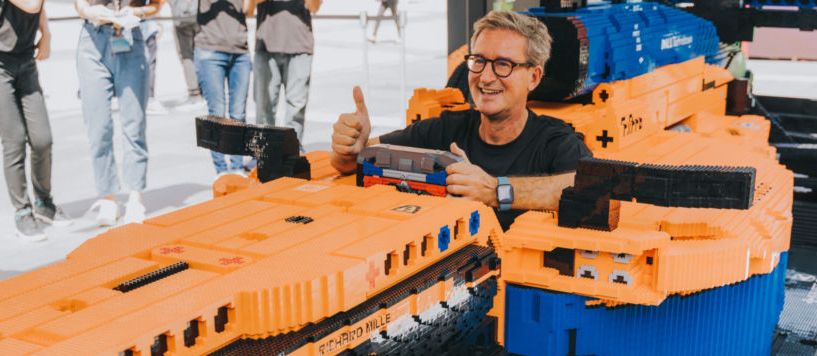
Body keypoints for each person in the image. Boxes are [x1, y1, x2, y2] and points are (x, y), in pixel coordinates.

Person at [331, 10, 591, 229]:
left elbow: (593, 189)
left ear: (533, 77)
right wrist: (351, 147)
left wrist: (494, 191)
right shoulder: (445, 129)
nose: (486, 77)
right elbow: (354, 161)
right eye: (478, 61)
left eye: (503, 64)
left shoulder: (556, 142)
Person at [75, 0, 161, 226]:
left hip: (131, 37)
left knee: (135, 125)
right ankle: (107, 198)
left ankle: (135, 197)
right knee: (98, 126)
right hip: (92, 40)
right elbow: (79, 5)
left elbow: (156, 5)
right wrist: (90, 11)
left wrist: (137, 11)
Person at [0, 0, 71, 241]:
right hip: (0, 64)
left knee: (43, 139)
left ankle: (43, 203)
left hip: (26, 60)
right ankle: (23, 211)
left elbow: (37, 8)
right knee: (14, 140)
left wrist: (46, 34)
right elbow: (31, 4)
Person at [246, 0, 322, 144]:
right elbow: (248, 9)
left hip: (300, 46)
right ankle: (265, 153)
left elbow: (314, 7)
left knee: (296, 108)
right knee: (263, 108)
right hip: (266, 47)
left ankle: (292, 151)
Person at [193, 0, 252, 174]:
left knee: (239, 113)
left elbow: (248, 10)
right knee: (216, 113)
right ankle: (220, 170)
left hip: (240, 51)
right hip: (209, 50)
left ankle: (236, 167)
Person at [170, 0, 201, 103]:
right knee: (202, 51)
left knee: (186, 55)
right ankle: (204, 89)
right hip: (199, 14)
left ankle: (194, 91)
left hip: (181, 17)